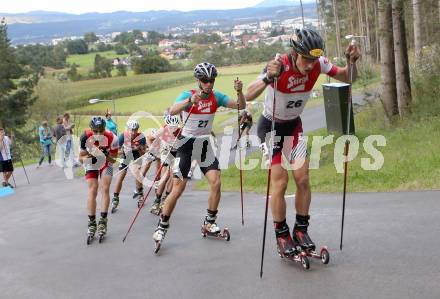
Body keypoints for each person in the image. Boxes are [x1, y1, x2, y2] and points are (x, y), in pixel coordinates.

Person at [245, 28, 361, 256]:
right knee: (280, 181)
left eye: (313, 60)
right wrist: (269, 77)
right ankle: (281, 234)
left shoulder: (319, 64)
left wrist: (352, 62)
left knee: (303, 178)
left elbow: (348, 77)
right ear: (295, 53)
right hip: (271, 127)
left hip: (293, 126)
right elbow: (248, 95)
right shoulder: (279, 65)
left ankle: (300, 230)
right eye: (306, 59)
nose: (310, 65)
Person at [152, 62, 245, 247]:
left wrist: (240, 91)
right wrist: (189, 102)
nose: (209, 84)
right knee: (178, 189)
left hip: (203, 144)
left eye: (211, 80)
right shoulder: (189, 94)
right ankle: (162, 226)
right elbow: (172, 110)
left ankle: (209, 223)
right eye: (205, 80)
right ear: (198, 81)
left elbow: (240, 106)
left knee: (216, 182)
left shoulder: (216, 97)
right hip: (185, 144)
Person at [79, 117, 118, 243]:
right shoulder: (85, 137)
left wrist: (106, 155)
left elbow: (113, 160)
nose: (98, 134)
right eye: (95, 131)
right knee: (92, 190)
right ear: (91, 130)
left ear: (104, 129)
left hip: (107, 163)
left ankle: (103, 221)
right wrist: (92, 155)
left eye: (101, 131)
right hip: (91, 162)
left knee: (105, 189)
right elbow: (81, 159)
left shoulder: (112, 138)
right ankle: (91, 223)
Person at [111, 119, 147, 212]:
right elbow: (117, 152)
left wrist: (138, 148)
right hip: (125, 155)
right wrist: (123, 150)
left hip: (136, 155)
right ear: (128, 129)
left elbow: (143, 152)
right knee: (121, 175)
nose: (134, 132)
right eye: (132, 130)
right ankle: (115, 197)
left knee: (137, 173)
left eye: (135, 130)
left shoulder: (141, 137)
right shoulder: (123, 136)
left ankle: (140, 194)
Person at [149, 114, 181, 215]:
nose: (172, 129)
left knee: (173, 176)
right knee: (164, 177)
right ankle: (157, 200)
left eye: (174, 127)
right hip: (166, 153)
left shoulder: (181, 131)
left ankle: (166, 198)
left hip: (176, 153)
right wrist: (152, 148)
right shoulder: (162, 130)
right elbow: (149, 138)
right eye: (170, 127)